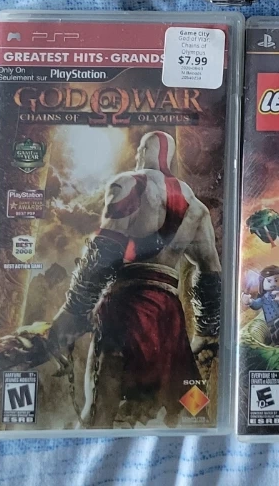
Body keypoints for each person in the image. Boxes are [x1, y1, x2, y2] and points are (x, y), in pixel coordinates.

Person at [46, 131, 221, 427]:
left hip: (124, 309)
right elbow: (210, 271)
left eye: (140, 150)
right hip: (169, 317)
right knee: (191, 407)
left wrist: (74, 309)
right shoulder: (197, 208)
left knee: (99, 411)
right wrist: (205, 330)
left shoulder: (129, 183)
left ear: (142, 151)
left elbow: (106, 247)